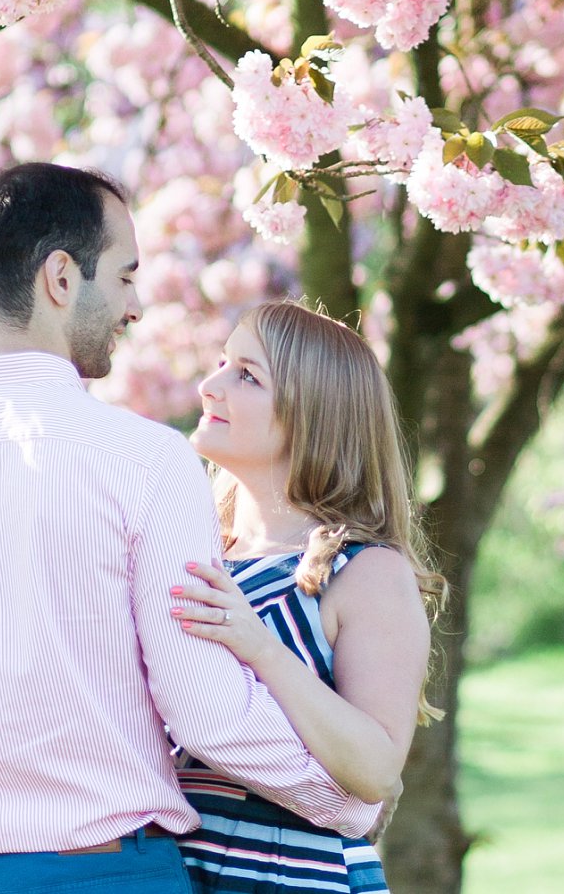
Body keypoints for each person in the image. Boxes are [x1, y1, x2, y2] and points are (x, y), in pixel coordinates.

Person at [0, 164, 379, 894]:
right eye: (125, 278)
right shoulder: (147, 463)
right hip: (103, 873)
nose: (135, 306)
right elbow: (204, 710)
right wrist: (345, 801)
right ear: (61, 278)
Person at [166, 300, 447, 893]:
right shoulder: (195, 546)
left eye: (246, 375)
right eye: (222, 363)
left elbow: (375, 768)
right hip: (180, 871)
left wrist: (261, 649)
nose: (209, 386)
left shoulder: (366, 571)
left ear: (312, 413)